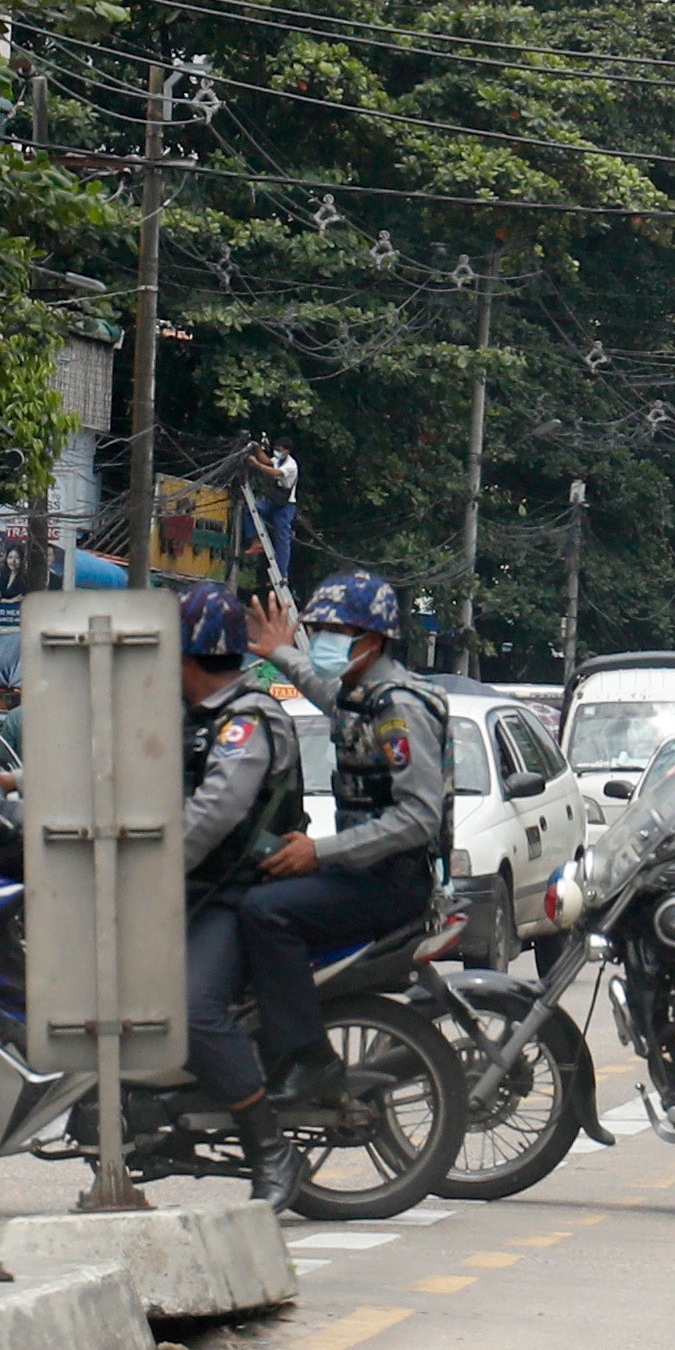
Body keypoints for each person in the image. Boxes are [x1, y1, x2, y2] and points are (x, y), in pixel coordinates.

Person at [241, 571, 447, 1103]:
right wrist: (283, 653)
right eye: (320, 630)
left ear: (373, 640)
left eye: (336, 631)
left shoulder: (399, 707)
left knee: (266, 913)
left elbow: (419, 817)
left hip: (392, 881)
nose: (325, 642)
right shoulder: (363, 695)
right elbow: (323, 689)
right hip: (364, 871)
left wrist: (320, 852)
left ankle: (309, 1060)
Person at [174, 582, 312, 1206]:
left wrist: (156, 866)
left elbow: (217, 810)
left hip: (235, 896)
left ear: (188, 656)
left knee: (192, 1006)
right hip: (195, 893)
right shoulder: (190, 716)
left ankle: (269, 1146)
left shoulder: (245, 721)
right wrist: (17, 782)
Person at [247, 440, 299, 585]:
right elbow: (267, 461)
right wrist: (256, 448)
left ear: (287, 451)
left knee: (281, 539)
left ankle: (282, 574)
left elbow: (275, 472)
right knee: (252, 508)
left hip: (286, 505)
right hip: (275, 500)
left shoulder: (291, 465)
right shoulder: (279, 460)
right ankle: (255, 540)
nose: (277, 451)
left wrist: (257, 465)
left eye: (280, 449)